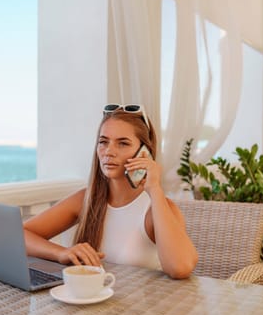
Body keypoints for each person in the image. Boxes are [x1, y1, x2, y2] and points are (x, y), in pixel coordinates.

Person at [23, 104, 198, 279]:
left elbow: (180, 268)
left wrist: (155, 188)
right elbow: (19, 235)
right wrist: (61, 253)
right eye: (103, 142)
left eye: (122, 143)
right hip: (91, 302)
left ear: (145, 153)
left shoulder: (156, 209)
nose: (108, 151)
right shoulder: (86, 199)